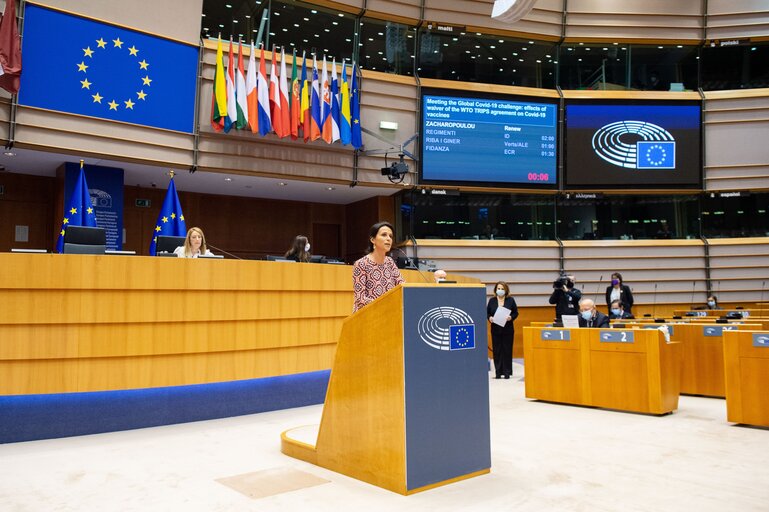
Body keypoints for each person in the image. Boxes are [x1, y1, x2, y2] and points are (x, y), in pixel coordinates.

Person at [352, 221, 405, 312]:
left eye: (390, 236)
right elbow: (360, 299)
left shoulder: (390, 262)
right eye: (384, 235)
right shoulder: (361, 264)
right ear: (373, 240)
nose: (388, 239)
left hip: (388, 313)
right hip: (367, 315)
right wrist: (385, 304)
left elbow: (402, 286)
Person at [486, 282, 519, 379]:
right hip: (495, 329)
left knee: (507, 350)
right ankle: (498, 372)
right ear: (495, 290)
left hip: (508, 329)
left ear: (506, 290)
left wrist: (511, 317)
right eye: (498, 288)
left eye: (502, 288)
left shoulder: (510, 300)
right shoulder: (492, 300)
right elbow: (487, 313)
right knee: (497, 351)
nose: (500, 290)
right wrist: (490, 318)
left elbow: (516, 313)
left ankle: (507, 372)